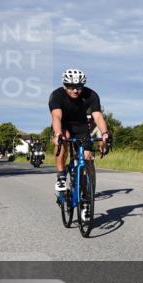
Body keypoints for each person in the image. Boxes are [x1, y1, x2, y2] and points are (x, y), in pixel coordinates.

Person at [48, 69, 111, 200]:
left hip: (81, 126)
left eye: (79, 87)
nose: (75, 91)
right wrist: (58, 134)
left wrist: (105, 133)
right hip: (63, 125)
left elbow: (98, 116)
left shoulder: (91, 95)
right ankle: (61, 176)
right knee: (63, 138)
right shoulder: (57, 95)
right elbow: (56, 116)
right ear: (64, 85)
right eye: (71, 87)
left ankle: (84, 197)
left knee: (86, 158)